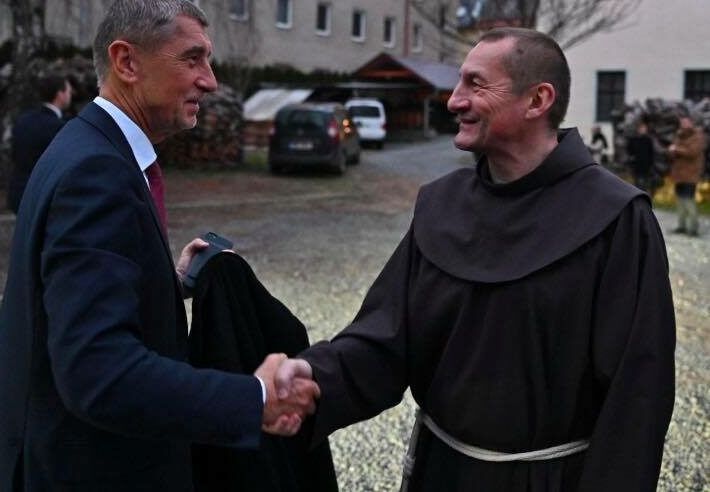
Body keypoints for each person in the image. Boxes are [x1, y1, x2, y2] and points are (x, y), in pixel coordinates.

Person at [276, 28, 675, 491]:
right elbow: (384, 340)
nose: (454, 101)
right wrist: (311, 377)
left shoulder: (616, 218)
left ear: (537, 100)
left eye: (475, 84)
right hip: (440, 474)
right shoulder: (441, 204)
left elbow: (637, 398)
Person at [0, 0, 318, 492]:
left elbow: (66, 297)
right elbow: (96, 372)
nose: (210, 82)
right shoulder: (97, 171)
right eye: (193, 59)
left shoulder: (87, 145)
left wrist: (163, 281)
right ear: (126, 61)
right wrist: (253, 398)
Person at [7, 74, 72, 213]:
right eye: (68, 91)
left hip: (19, 192)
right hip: (46, 197)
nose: (70, 94)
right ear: (60, 95)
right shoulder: (60, 127)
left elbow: (14, 155)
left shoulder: (23, 121)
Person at [668, 115, 706, 236]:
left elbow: (692, 152)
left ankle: (693, 228)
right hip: (679, 174)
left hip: (690, 174)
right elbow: (675, 152)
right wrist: (672, 151)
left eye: (685, 122)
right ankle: (682, 226)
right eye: (682, 122)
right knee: (679, 200)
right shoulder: (680, 135)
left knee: (689, 200)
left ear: (691, 123)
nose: (683, 125)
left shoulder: (697, 136)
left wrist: (676, 149)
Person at [627, 121, 655, 197]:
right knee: (637, 183)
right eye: (642, 128)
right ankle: (637, 198)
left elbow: (651, 153)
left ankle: (644, 198)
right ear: (638, 129)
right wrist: (631, 160)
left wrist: (651, 164)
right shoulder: (633, 139)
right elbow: (629, 151)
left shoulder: (648, 140)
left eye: (644, 128)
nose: (643, 130)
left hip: (646, 166)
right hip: (636, 165)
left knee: (644, 184)